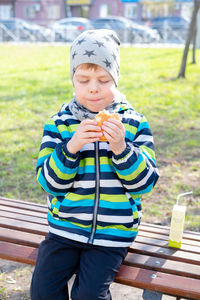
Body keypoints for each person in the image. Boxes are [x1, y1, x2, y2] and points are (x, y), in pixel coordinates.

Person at [30, 29, 159, 300]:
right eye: (83, 79)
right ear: (73, 80)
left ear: (116, 79)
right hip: (64, 228)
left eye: (103, 79)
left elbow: (145, 184)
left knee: (89, 295)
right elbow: (48, 182)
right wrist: (71, 147)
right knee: (42, 292)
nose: (93, 87)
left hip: (113, 234)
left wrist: (122, 149)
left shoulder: (134, 124)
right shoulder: (59, 124)